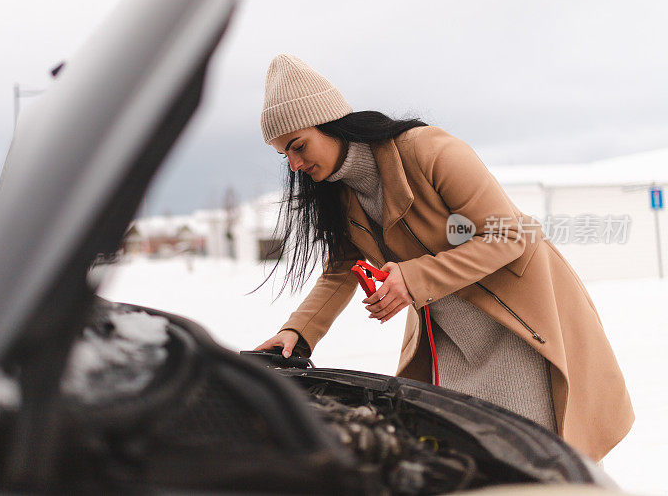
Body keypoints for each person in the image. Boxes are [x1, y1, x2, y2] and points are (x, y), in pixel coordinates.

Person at [253, 53, 633, 463]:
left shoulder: (426, 149)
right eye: (284, 155)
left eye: (298, 146)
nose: (294, 164)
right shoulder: (340, 193)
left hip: (517, 324)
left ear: (329, 124)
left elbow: (509, 234)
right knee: (460, 463)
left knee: (528, 463)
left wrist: (414, 279)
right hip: (451, 339)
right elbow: (342, 267)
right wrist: (299, 333)